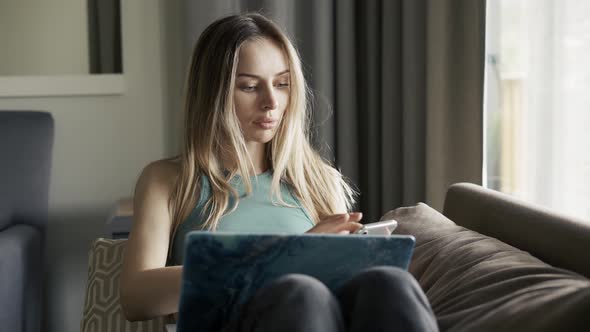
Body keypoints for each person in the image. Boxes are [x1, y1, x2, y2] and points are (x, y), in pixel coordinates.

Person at [120, 13, 438, 332]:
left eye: (282, 84)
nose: (271, 101)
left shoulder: (317, 180)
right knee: (301, 293)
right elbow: (135, 298)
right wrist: (291, 255)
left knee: (390, 283)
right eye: (249, 86)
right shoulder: (168, 181)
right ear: (213, 93)